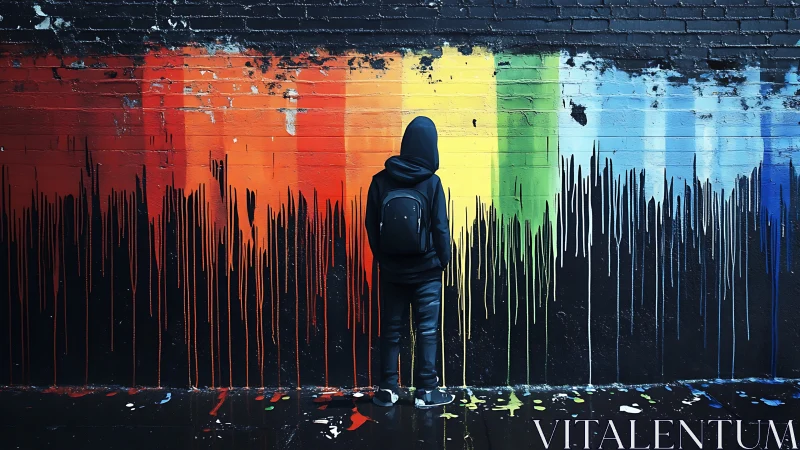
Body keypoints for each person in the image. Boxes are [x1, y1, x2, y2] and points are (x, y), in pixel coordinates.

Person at [365, 116, 454, 408]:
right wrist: (443, 261)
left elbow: (370, 225)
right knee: (426, 331)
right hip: (427, 271)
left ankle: (387, 390)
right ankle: (426, 392)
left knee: (391, 331)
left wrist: (383, 259)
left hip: (392, 272)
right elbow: (440, 227)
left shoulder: (380, 180)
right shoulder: (432, 182)